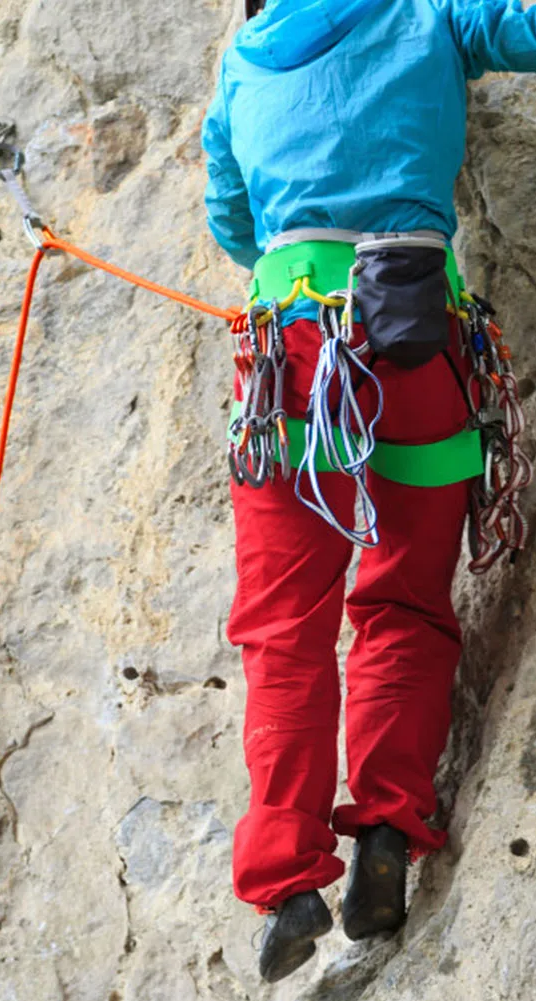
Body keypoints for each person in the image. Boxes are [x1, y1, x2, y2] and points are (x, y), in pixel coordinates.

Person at [202, 0, 536, 983]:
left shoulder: (241, 66)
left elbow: (231, 220)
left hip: (287, 366)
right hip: (415, 343)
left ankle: (287, 878)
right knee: (401, 600)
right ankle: (387, 831)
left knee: (282, 626)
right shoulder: (428, 11)